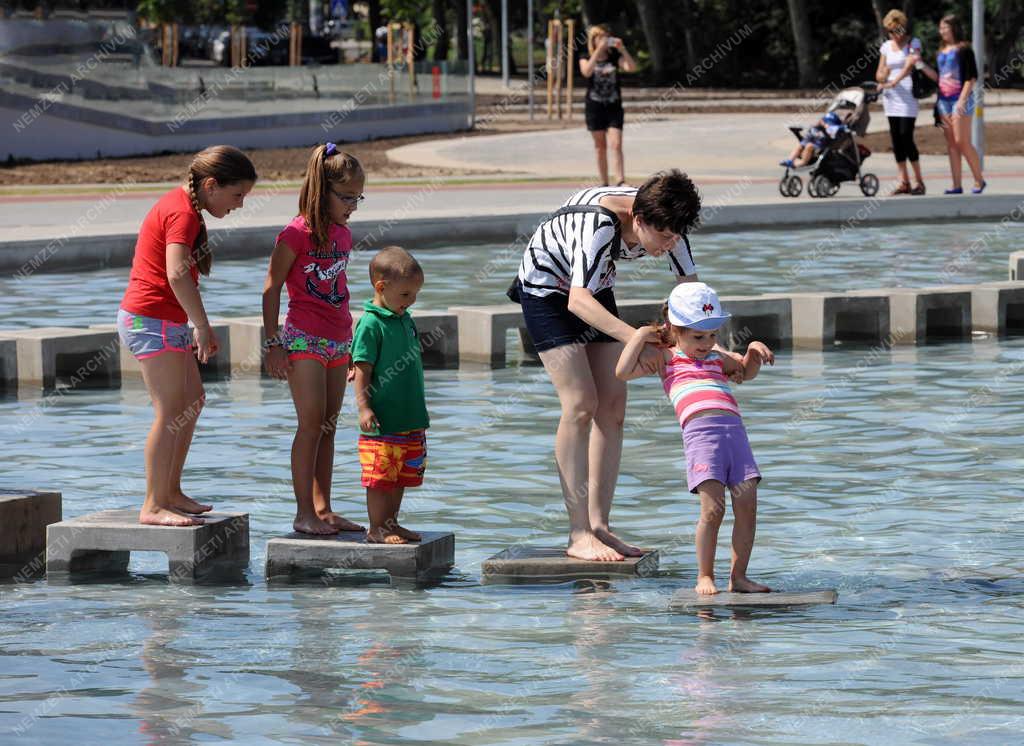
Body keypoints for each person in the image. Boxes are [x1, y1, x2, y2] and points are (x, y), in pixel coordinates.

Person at [512, 171, 711, 562]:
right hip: (547, 292)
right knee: (581, 403)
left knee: (614, 406)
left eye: (676, 237)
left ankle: (600, 525)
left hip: (592, 286)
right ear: (638, 219)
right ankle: (578, 533)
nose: (670, 245)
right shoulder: (598, 226)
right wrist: (638, 339)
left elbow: (690, 294)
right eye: (664, 238)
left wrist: (705, 349)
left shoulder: (668, 223)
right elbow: (578, 302)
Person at [118, 145, 256, 526]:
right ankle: (152, 504)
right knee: (170, 412)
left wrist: (192, 323)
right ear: (211, 185)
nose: (240, 204)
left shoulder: (187, 207)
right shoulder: (182, 213)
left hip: (166, 322)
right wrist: (202, 325)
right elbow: (177, 272)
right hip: (149, 321)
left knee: (192, 402)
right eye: (237, 195)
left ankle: (171, 492)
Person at [615, 282, 774, 595]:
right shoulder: (665, 359)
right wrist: (638, 336)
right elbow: (622, 372)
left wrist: (753, 350)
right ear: (675, 330)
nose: (707, 343)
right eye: (698, 337)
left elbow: (744, 372)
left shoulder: (717, 357)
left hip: (736, 437)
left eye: (713, 335)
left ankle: (738, 577)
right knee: (713, 510)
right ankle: (705, 575)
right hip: (702, 439)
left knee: (747, 507)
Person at [263, 143, 366, 536]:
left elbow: (339, 289)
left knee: (329, 426)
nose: (353, 205)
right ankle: (302, 512)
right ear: (323, 192)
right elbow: (271, 289)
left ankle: (324, 509)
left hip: (339, 339)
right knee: (309, 425)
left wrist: (353, 344)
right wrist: (273, 344)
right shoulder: (294, 234)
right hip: (304, 339)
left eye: (359, 198)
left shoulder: (343, 233)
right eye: (346, 197)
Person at [351, 246, 429, 544]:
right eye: (406, 295)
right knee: (380, 478)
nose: (410, 302)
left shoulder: (404, 318)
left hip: (408, 417)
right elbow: (362, 369)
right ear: (381, 287)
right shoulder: (371, 323)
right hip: (382, 420)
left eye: (415, 295)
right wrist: (364, 408)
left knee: (401, 477)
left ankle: (392, 523)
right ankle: (376, 527)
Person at [915, 14, 985, 194]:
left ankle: (979, 180)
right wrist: (920, 64)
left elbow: (971, 77)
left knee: (962, 141)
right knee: (952, 144)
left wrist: (962, 100)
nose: (941, 31)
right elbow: (939, 77)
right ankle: (956, 185)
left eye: (944, 27)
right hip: (943, 101)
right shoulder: (941, 51)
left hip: (961, 99)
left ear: (953, 27)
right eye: (940, 28)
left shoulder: (964, 49)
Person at [875, 9, 927, 195]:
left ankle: (919, 181)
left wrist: (895, 81)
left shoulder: (913, 43)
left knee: (907, 136)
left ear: (903, 29)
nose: (894, 35)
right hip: (891, 99)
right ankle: (903, 180)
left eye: (897, 30)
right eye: (890, 31)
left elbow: (910, 64)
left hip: (908, 97)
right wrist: (884, 76)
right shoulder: (886, 47)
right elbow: (879, 73)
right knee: (896, 140)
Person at [579, 25, 636, 187]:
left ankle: (620, 180)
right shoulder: (585, 56)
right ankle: (604, 182)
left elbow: (631, 67)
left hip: (614, 106)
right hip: (594, 107)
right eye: (600, 37)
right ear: (593, 40)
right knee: (600, 146)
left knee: (616, 144)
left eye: (606, 36)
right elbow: (586, 72)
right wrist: (597, 52)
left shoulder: (614, 57)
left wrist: (623, 49)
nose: (604, 39)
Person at [779, 111, 845, 168]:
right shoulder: (816, 127)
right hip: (812, 143)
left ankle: (802, 163)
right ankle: (790, 160)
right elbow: (808, 137)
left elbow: (833, 133)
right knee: (800, 146)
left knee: (809, 145)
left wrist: (828, 127)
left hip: (820, 147)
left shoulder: (831, 129)